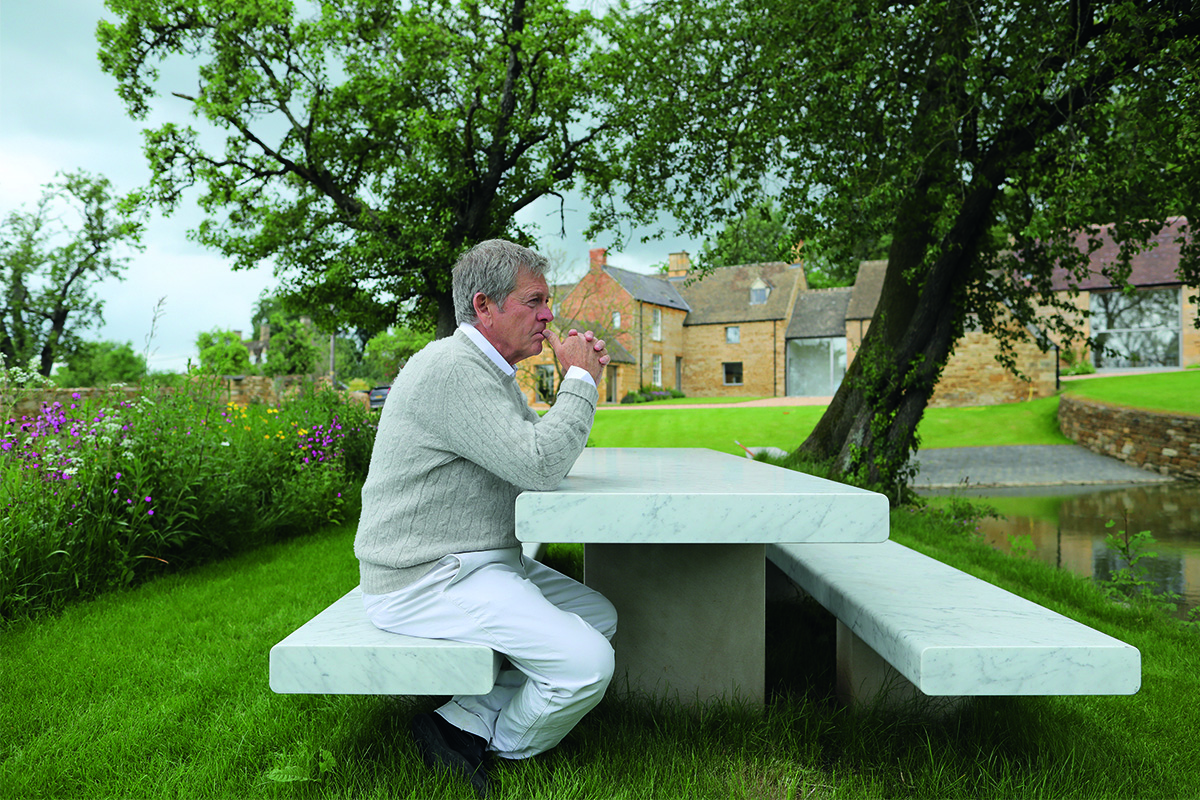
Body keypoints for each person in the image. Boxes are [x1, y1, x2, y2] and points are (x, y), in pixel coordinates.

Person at [353, 239, 616, 797]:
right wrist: (581, 382)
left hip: (473, 563)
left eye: (548, 301)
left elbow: (531, 455)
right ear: (484, 306)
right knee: (587, 663)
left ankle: (460, 721)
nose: (549, 315)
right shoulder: (453, 370)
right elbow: (541, 466)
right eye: (535, 301)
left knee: (599, 617)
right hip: (425, 577)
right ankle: (497, 746)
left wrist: (577, 383)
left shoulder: (487, 371)